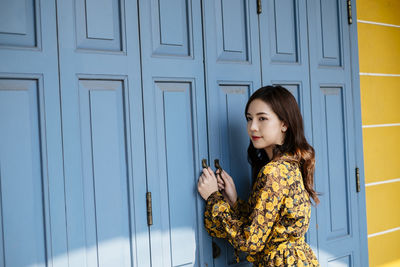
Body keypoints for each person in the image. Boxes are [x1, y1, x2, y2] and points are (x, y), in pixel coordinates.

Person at [197, 85, 320, 266]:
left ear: (284, 124)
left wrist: (213, 197)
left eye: (262, 118)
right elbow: (267, 223)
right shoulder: (291, 163)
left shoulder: (274, 172)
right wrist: (234, 201)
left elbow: (250, 242)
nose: (252, 127)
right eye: (249, 119)